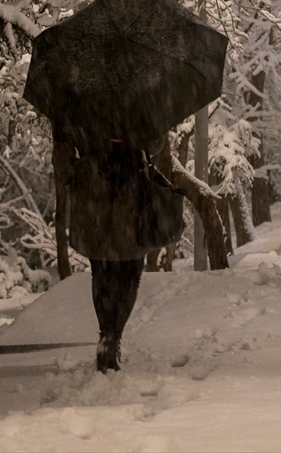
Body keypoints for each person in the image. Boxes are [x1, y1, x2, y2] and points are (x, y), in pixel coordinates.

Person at [53, 128, 184, 373]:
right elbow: (155, 144)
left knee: (102, 272)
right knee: (130, 273)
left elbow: (63, 148)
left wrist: (76, 173)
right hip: (130, 194)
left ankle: (107, 335)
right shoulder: (136, 102)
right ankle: (113, 337)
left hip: (93, 195)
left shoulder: (79, 101)